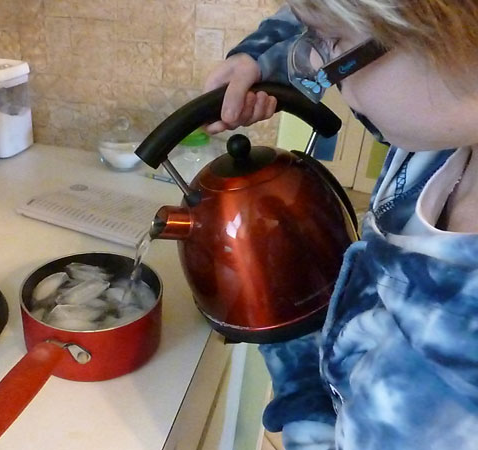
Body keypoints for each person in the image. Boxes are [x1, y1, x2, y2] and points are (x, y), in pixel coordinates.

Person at [203, 2, 478, 449]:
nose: (315, 65)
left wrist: (296, 371)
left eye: (333, 44)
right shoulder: (442, 141)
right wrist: (257, 58)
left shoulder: (451, 369)